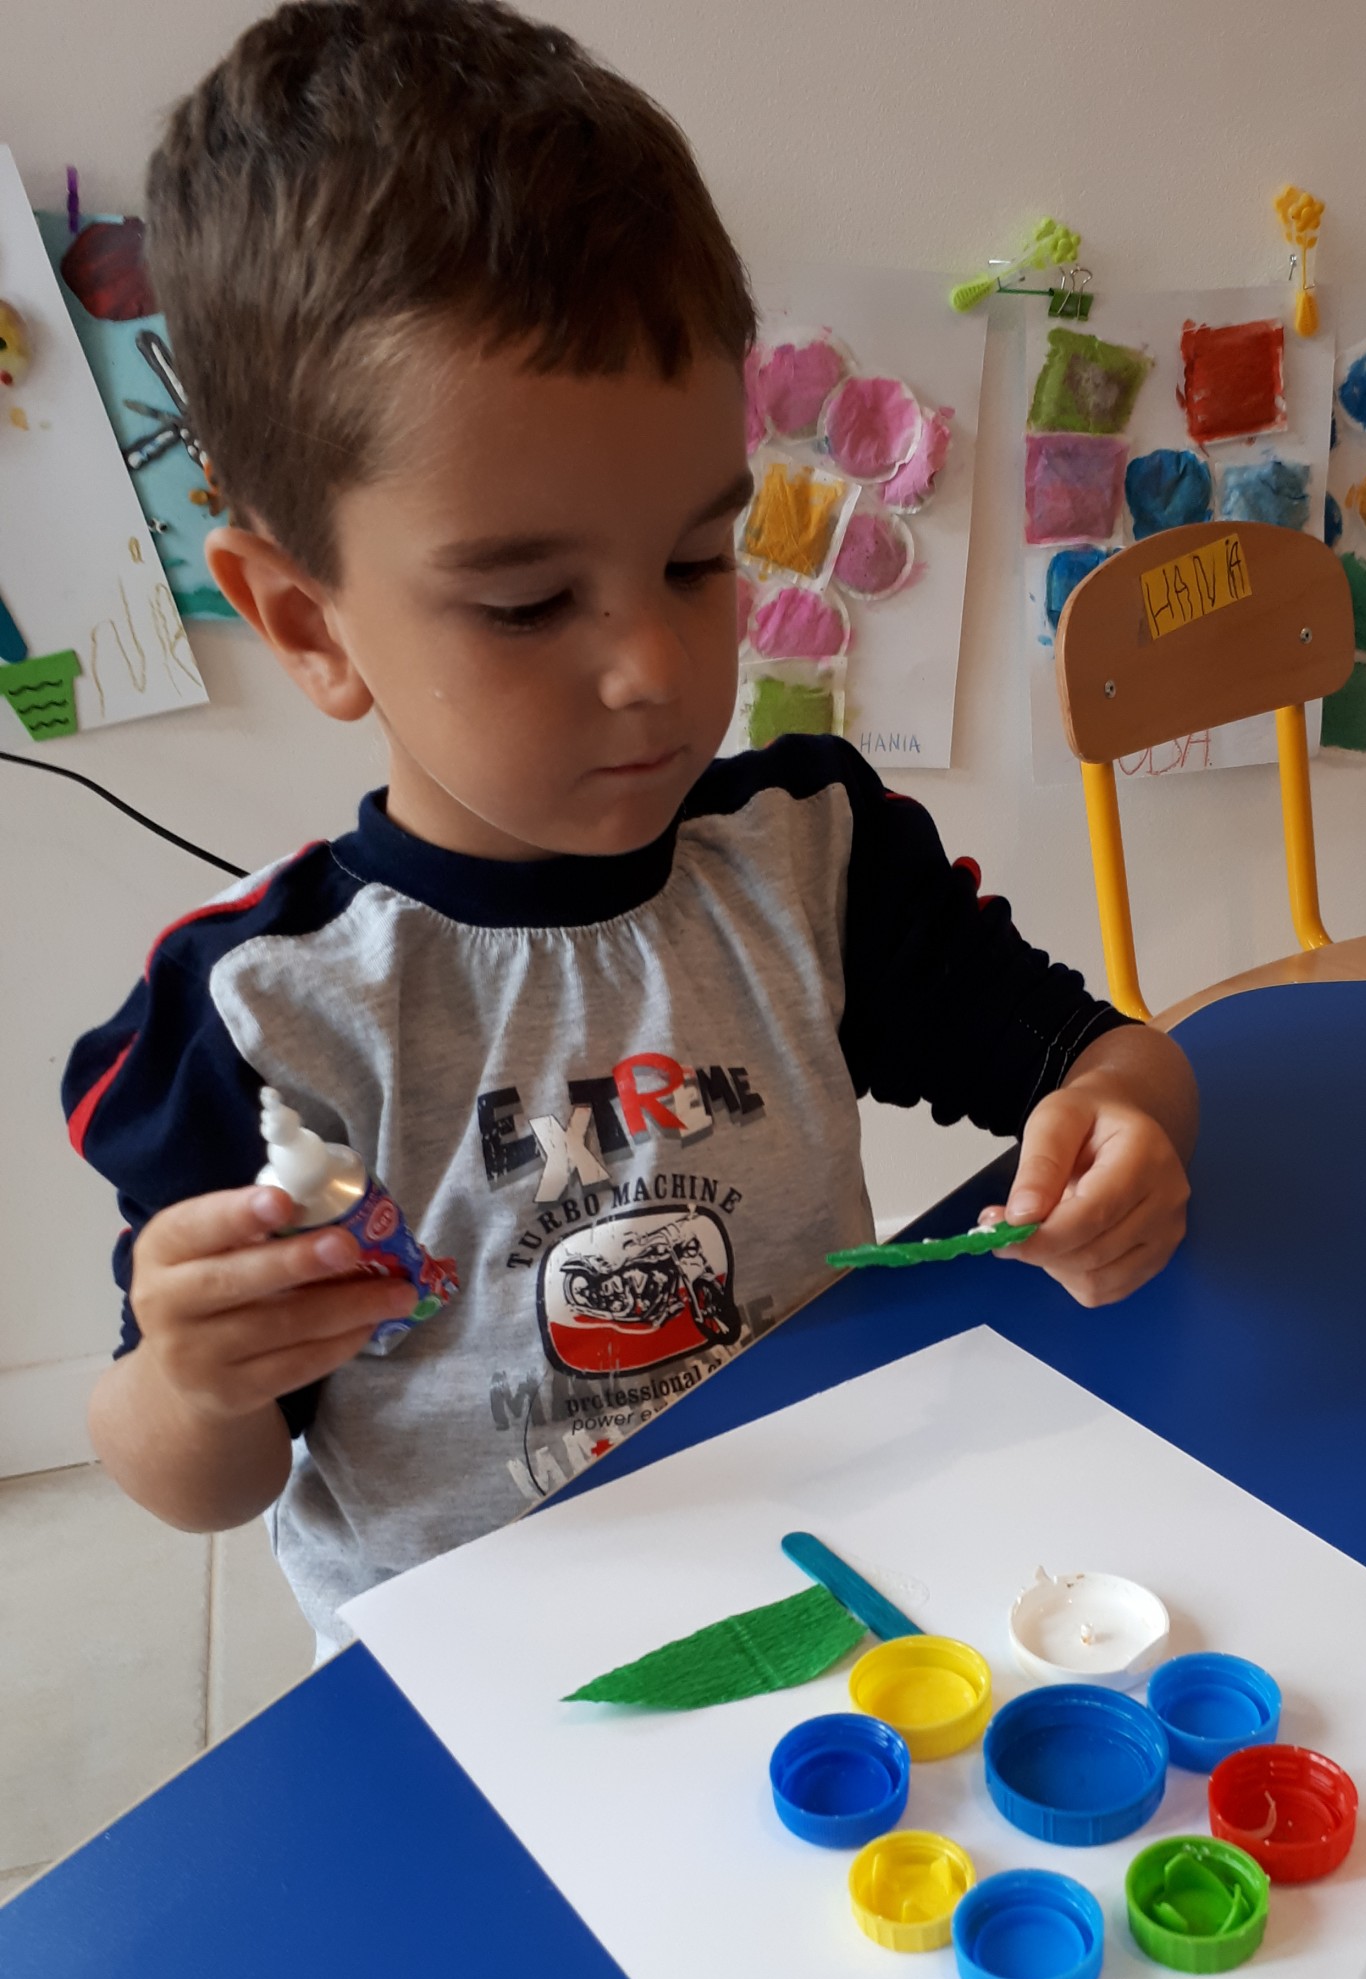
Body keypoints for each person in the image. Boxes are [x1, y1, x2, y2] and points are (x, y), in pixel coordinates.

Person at [63, 0, 1196, 1653]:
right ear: (307, 622)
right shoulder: (266, 1011)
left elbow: (1109, 1060)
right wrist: (196, 1377)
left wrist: (1123, 1135)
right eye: (528, 602)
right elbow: (194, 1481)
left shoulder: (811, 858)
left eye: (695, 561)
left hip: (826, 1600)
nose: (657, 668)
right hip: (475, 1681)